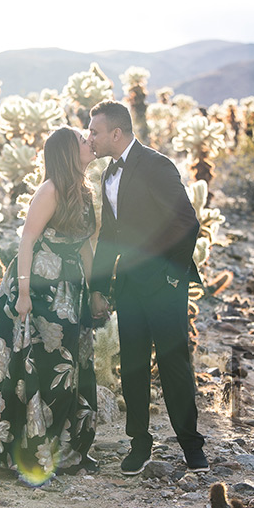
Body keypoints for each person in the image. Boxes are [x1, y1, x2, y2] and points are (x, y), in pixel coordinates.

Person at [0, 126, 99, 482]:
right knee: (33, 363)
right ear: (68, 153)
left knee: (67, 365)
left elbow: (85, 245)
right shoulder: (50, 190)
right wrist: (23, 293)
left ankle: (61, 449)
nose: (90, 143)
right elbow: (27, 240)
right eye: (83, 142)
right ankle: (22, 453)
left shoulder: (83, 191)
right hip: (36, 286)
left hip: (70, 289)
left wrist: (96, 290)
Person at [86, 99, 209, 475]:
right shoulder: (108, 175)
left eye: (95, 132)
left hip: (165, 284)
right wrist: (99, 286)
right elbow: (109, 235)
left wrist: (172, 276)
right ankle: (139, 444)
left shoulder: (157, 165)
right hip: (129, 285)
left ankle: (191, 446)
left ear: (116, 133)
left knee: (174, 364)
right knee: (134, 366)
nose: (90, 138)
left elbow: (186, 222)